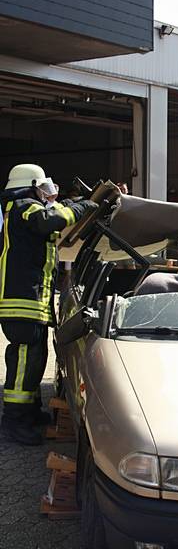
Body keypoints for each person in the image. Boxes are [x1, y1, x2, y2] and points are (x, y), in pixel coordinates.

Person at [0, 163, 97, 445]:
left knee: (35, 358)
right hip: (21, 299)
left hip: (32, 299)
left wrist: (76, 207)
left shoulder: (24, 211)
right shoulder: (23, 206)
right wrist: (82, 207)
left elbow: (51, 223)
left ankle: (28, 412)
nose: (45, 194)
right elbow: (49, 220)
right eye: (42, 187)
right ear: (31, 185)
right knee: (23, 359)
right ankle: (14, 420)